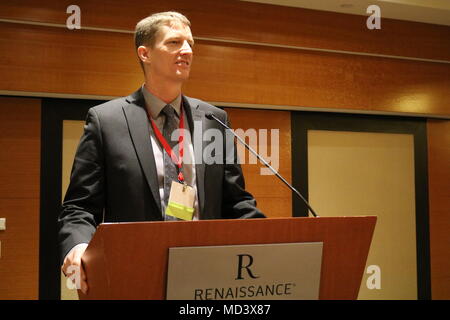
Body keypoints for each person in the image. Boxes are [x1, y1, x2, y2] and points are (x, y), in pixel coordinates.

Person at [58, 11, 265, 294]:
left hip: (207, 274)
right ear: (145, 53)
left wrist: (272, 241)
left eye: (190, 43)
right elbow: (79, 206)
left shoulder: (213, 119)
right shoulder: (107, 120)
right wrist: (78, 245)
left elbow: (236, 201)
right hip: (133, 272)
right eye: (174, 42)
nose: (187, 50)